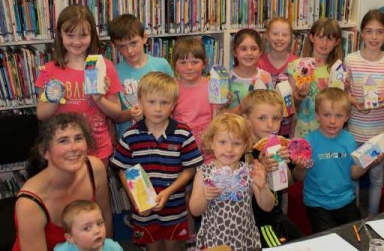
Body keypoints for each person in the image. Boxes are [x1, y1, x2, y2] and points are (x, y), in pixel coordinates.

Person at [110, 72, 202, 251]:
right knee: (152, 247)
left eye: (164, 103)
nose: (158, 109)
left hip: (174, 207)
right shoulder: (130, 136)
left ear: (174, 104)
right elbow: (123, 170)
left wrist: (168, 192)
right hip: (144, 210)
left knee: (173, 246)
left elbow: (190, 169)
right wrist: (134, 198)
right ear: (140, 102)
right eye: (151, 102)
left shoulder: (183, 133)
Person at [35, 4, 122, 164]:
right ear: (60, 35)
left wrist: (99, 98)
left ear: (92, 35)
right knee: (67, 189)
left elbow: (116, 113)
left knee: (95, 187)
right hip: (62, 150)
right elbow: (41, 114)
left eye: (83, 35)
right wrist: (55, 99)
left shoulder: (104, 66)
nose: (77, 42)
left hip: (98, 148)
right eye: (70, 35)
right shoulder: (50, 70)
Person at [13, 113, 112, 251]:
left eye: (78, 138)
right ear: (44, 151)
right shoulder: (29, 202)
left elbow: (105, 219)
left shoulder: (94, 169)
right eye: (63, 141)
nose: (74, 147)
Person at [293, 88, 380, 233]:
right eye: (326, 115)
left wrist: (370, 162)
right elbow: (298, 177)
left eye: (338, 115)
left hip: (346, 201)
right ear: (317, 115)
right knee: (328, 242)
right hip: (318, 204)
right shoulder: (308, 142)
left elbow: (353, 173)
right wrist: (301, 167)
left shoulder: (349, 139)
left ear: (346, 117)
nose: (332, 121)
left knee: (357, 237)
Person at [189, 113, 274, 250]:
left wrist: (263, 187)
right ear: (211, 143)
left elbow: (268, 206)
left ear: (245, 145)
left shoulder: (250, 171)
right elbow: (195, 210)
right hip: (215, 241)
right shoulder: (204, 173)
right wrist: (205, 197)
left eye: (237, 143)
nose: (229, 149)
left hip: (246, 240)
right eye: (222, 142)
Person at [345, 9, 384, 216]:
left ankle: (373, 217)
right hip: (355, 131)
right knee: (354, 176)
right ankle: (354, 218)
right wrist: (355, 103)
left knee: (377, 178)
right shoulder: (351, 60)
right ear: (362, 33)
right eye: (369, 31)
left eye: (379, 32)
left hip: (379, 132)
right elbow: (344, 90)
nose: (374, 37)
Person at [240, 90, 305, 248]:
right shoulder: (238, 151)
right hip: (256, 222)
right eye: (262, 118)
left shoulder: (280, 146)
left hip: (275, 217)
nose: (270, 125)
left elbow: (288, 182)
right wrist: (262, 168)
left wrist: (300, 167)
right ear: (246, 120)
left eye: (276, 118)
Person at [108, 13, 174, 139]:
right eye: (122, 46)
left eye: (133, 43)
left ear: (144, 38)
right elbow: (115, 117)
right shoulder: (114, 72)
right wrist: (130, 113)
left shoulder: (161, 65)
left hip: (161, 137)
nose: (129, 51)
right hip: (130, 140)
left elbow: (173, 102)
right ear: (114, 46)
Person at [287, 18, 344, 138]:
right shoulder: (297, 66)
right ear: (312, 37)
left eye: (329, 39)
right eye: (320, 37)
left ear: (337, 42)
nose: (324, 43)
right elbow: (290, 106)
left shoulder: (338, 70)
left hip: (330, 130)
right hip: (303, 129)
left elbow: (341, 105)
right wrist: (299, 96)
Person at [171, 36, 217, 161]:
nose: (189, 67)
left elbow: (217, 117)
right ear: (174, 65)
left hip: (208, 147)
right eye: (183, 62)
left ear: (204, 63)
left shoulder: (212, 85)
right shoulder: (171, 88)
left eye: (195, 62)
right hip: (181, 147)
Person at [258, 17, 299, 137]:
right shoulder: (258, 63)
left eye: (285, 35)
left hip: (288, 129)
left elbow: (296, 102)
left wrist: (300, 95)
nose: (280, 38)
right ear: (266, 35)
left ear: (291, 37)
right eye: (275, 34)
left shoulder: (297, 63)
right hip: (262, 129)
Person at [224, 28, 272, 114]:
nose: (249, 53)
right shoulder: (227, 79)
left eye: (254, 49)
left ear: (260, 51)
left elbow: (271, 107)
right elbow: (222, 113)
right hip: (235, 126)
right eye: (243, 49)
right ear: (235, 51)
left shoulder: (266, 77)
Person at [54, 200, 122, 251]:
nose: (97, 231)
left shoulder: (113, 248)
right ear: (70, 238)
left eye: (100, 223)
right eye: (87, 228)